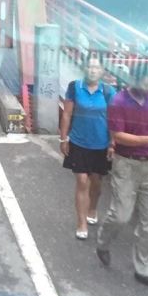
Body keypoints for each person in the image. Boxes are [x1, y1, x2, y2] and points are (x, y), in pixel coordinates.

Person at [96, 62, 148, 290]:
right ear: (134, 79)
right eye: (147, 81)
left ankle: (144, 269)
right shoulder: (118, 101)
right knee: (121, 215)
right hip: (126, 165)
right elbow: (118, 136)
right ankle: (103, 242)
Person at [60, 55, 115, 239]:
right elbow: (67, 114)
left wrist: (112, 143)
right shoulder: (75, 87)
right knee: (82, 181)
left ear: (102, 71)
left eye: (96, 67)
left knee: (96, 182)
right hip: (78, 142)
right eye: (90, 67)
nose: (93, 70)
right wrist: (63, 139)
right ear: (84, 69)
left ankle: (93, 208)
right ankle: (81, 222)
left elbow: (113, 119)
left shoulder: (108, 91)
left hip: (101, 144)